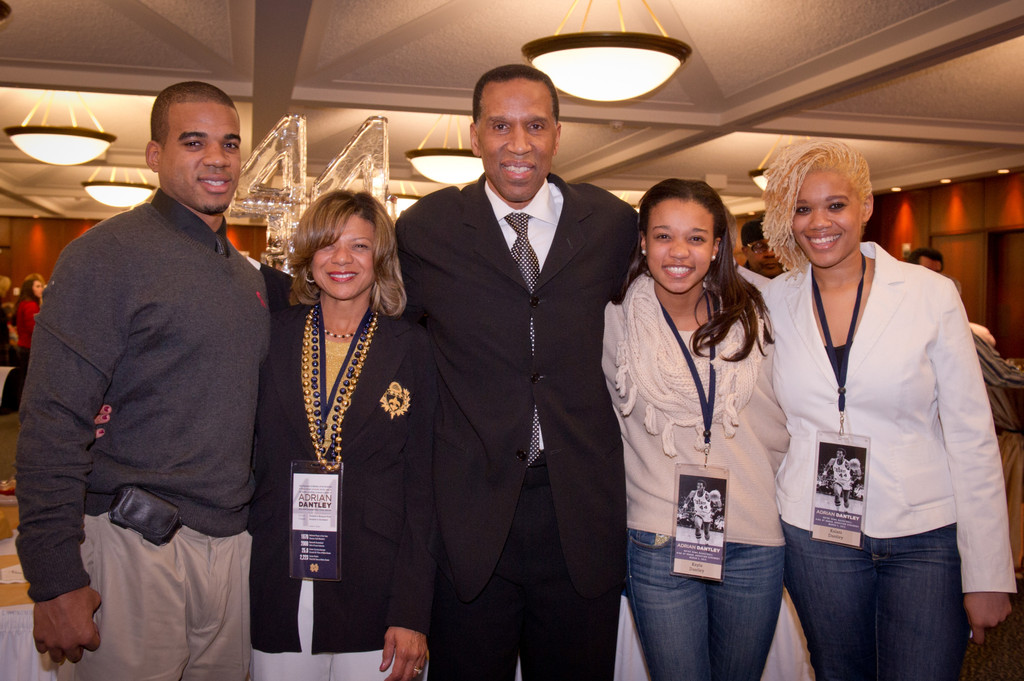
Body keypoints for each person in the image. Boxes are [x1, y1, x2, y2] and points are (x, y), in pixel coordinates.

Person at [15, 81, 269, 679]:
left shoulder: (247, 278)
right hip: (136, 548)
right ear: (155, 156)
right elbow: (52, 418)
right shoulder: (105, 256)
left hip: (231, 552)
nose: (217, 157)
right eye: (194, 141)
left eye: (230, 143)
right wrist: (54, 577)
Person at [395, 64, 637, 681]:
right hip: (471, 517)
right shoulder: (426, 230)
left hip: (580, 510)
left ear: (558, 134)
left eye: (534, 126)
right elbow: (392, 336)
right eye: (500, 126)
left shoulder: (611, 224)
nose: (519, 144)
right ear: (474, 136)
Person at [761, 138, 1015, 681]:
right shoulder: (772, 302)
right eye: (802, 208)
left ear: (866, 206)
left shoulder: (931, 294)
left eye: (835, 205)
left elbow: (972, 435)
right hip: (816, 534)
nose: (819, 222)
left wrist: (988, 571)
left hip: (924, 533)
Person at [603, 178, 788, 681]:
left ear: (718, 245)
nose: (679, 252)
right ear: (642, 241)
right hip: (658, 537)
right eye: (663, 236)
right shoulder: (613, 318)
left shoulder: (765, 311)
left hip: (754, 538)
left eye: (696, 238)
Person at [248, 190, 436, 681]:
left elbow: (424, 488)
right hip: (275, 578)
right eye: (329, 245)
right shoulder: (270, 335)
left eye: (359, 246)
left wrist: (412, 611)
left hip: (376, 587)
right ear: (309, 258)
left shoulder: (412, 347)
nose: (343, 259)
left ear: (380, 259)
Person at [13, 273, 45, 401]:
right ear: (30, 288)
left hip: (23, 345)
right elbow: (34, 328)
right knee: (29, 381)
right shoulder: (31, 305)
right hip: (29, 346)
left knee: (24, 379)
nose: (41, 289)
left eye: (41, 285)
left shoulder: (22, 303)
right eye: (38, 286)